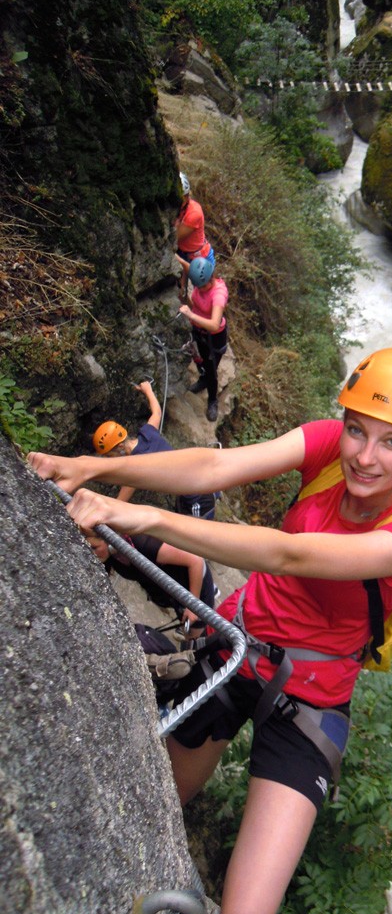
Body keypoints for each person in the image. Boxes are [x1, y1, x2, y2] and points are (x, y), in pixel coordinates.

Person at [29, 346, 392, 914]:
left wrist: (139, 514)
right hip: (241, 646)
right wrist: (85, 465)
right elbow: (210, 468)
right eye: (358, 429)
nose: (363, 455)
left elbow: (291, 555)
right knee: (155, 800)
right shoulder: (329, 447)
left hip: (309, 700)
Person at [92, 380, 218, 519]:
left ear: (120, 447)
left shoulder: (136, 467)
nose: (111, 459)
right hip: (197, 482)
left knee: (195, 534)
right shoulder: (147, 433)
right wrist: (148, 390)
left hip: (197, 498)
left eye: (110, 455)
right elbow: (157, 412)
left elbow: (119, 503)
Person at [88, 530, 218, 636]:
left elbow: (196, 561)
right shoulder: (110, 556)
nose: (94, 553)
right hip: (172, 589)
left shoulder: (143, 543)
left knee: (191, 633)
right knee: (184, 622)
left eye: (95, 547)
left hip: (195, 585)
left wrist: (192, 605)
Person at [179, 256, 228, 423]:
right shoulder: (199, 281)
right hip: (199, 330)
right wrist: (183, 287)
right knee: (199, 359)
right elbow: (185, 265)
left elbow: (214, 324)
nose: (200, 289)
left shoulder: (219, 293)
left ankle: (213, 400)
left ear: (210, 278)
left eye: (202, 286)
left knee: (211, 368)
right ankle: (202, 379)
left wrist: (190, 314)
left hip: (214, 337)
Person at [175, 171, 214, 302]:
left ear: (186, 196)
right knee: (183, 292)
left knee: (207, 296)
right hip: (185, 253)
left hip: (200, 259)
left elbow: (175, 237)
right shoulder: (179, 209)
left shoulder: (194, 213)